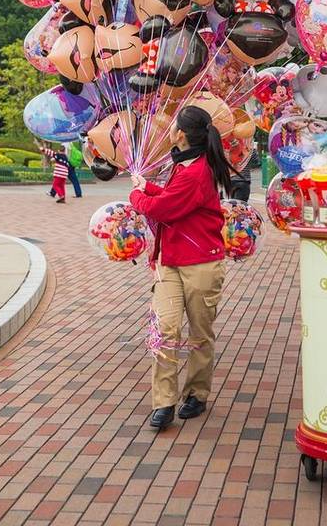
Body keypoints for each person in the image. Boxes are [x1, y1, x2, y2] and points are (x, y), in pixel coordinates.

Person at [129, 105, 237, 431]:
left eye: (173, 125)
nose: (169, 129)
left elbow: (164, 209)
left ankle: (197, 394)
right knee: (165, 330)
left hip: (201, 263)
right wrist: (147, 186)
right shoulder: (186, 165)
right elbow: (171, 198)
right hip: (170, 263)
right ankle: (164, 402)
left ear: (181, 134)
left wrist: (137, 195)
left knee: (200, 333)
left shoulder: (195, 171)